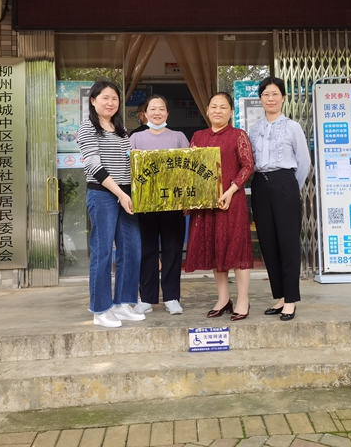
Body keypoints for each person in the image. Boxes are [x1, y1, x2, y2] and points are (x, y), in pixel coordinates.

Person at [77, 80, 146, 329]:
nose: (110, 102)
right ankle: (101, 309)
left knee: (131, 249)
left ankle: (123, 303)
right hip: (103, 194)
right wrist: (119, 193)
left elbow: (129, 163)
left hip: (126, 194)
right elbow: (94, 166)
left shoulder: (121, 129)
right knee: (103, 252)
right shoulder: (87, 128)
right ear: (93, 100)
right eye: (105, 98)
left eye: (114, 98)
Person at [185, 92, 255, 321]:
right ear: (207, 110)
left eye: (223, 107)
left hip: (231, 202)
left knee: (237, 249)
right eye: (213, 106)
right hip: (208, 204)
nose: (218, 111)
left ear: (231, 112)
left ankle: (243, 300)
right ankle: (223, 299)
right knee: (217, 249)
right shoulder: (198, 136)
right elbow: (189, 169)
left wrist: (231, 190)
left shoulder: (238, 135)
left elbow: (247, 166)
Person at [248, 77, 311, 322]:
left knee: (288, 243)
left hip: (285, 183)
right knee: (268, 243)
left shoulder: (293, 127)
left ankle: (291, 299)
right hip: (260, 185)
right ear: (260, 98)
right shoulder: (255, 129)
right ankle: (281, 297)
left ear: (283, 97)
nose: (270, 99)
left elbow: (304, 162)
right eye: (266, 94)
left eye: (275, 94)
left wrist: (290, 188)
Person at [130, 95, 190, 315]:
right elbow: (130, 170)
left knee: (173, 250)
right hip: (145, 205)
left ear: (167, 113)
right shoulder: (136, 138)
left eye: (161, 108)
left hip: (173, 204)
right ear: (145, 113)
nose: (157, 113)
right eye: (153, 109)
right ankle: (146, 298)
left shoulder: (178, 137)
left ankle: (172, 298)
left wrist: (188, 201)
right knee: (147, 251)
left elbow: (188, 171)